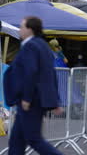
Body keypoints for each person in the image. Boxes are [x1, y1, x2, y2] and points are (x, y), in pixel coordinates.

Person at [4, 16, 63, 155]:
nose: (20, 29)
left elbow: (31, 72)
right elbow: (50, 74)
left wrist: (27, 98)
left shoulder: (30, 46)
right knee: (16, 141)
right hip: (35, 99)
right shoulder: (42, 45)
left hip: (31, 101)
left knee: (34, 139)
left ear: (30, 29)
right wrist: (55, 101)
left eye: (22, 27)